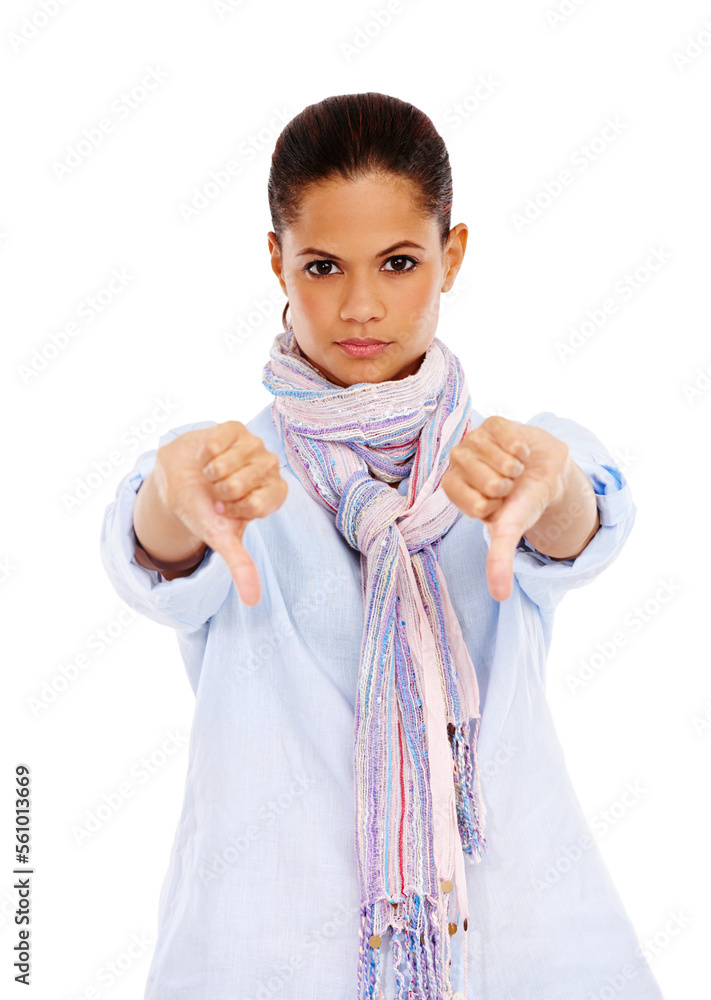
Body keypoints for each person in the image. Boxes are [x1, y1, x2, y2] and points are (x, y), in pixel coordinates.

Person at [100, 93, 665, 1000]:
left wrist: (552, 490)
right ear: (275, 261)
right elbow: (157, 552)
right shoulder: (231, 471)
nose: (360, 306)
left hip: (511, 949)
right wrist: (171, 500)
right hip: (267, 954)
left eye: (399, 262)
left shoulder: (504, 461)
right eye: (322, 265)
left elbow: (580, 520)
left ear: (452, 255)